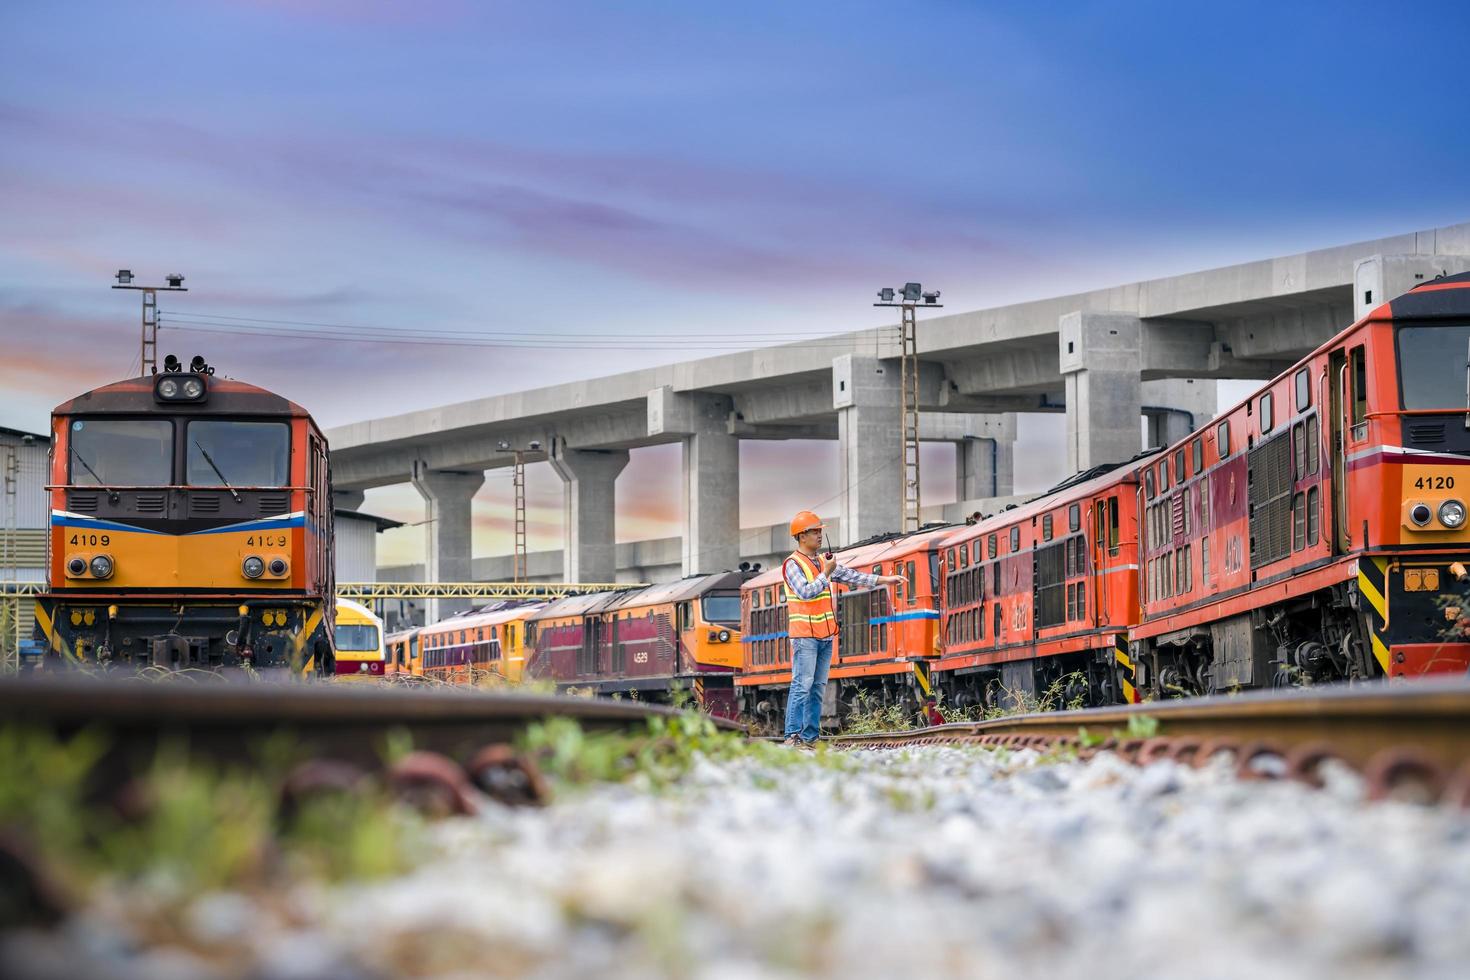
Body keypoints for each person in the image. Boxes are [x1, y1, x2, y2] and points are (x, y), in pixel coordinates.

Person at [782, 510, 906, 746]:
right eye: (815, 531)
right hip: (805, 636)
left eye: (820, 531)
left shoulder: (821, 562)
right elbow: (806, 592)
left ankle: (810, 737)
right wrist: (826, 574)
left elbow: (852, 576)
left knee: (817, 688)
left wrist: (884, 580)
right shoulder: (792, 564)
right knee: (802, 685)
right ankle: (792, 736)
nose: (820, 535)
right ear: (801, 536)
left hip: (826, 635)